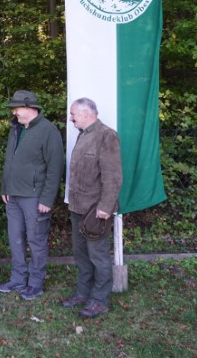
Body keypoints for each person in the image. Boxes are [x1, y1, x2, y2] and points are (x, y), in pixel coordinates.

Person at [0, 90, 65, 301]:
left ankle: (35, 283)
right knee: (15, 239)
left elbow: (55, 168)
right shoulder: (16, 129)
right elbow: (9, 161)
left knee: (36, 240)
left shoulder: (48, 131)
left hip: (34, 197)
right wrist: (5, 187)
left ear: (28, 107)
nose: (14, 112)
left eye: (16, 108)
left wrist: (47, 199)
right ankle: (18, 279)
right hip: (13, 195)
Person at [62, 97, 122, 318]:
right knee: (81, 255)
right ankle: (83, 293)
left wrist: (105, 207)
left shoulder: (107, 135)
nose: (71, 118)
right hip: (78, 208)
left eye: (73, 114)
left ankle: (99, 300)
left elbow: (112, 176)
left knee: (98, 256)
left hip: (96, 211)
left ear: (86, 113)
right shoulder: (83, 135)